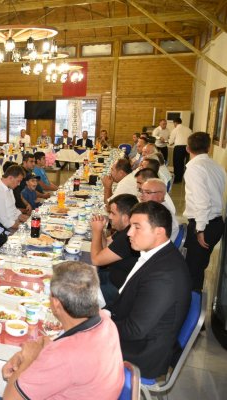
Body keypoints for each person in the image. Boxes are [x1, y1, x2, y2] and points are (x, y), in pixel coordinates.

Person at [0, 262, 124, 400]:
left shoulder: (64, 355)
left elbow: (10, 398)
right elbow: (56, 342)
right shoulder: (105, 321)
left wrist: (27, 360)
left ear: (55, 303)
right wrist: (31, 349)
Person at [107, 201, 191, 379]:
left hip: (141, 353)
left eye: (137, 227)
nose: (129, 233)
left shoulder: (165, 275)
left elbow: (135, 330)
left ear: (159, 231)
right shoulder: (158, 254)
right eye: (130, 226)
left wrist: (97, 326)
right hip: (134, 333)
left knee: (69, 345)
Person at [183, 132, 226, 291]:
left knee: (192, 270)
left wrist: (199, 229)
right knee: (198, 266)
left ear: (188, 148)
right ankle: (195, 298)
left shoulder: (194, 168)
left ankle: (192, 302)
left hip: (204, 224)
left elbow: (202, 202)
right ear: (209, 148)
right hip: (216, 223)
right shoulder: (217, 166)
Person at [90, 194, 140, 305]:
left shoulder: (127, 237)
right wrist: (101, 230)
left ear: (125, 217)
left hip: (118, 289)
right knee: (78, 276)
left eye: (113, 213)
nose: (110, 217)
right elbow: (106, 246)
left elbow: (96, 260)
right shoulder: (126, 229)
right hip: (113, 275)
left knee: (73, 292)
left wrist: (96, 231)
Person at [0, 165, 29, 232]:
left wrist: (29, 220)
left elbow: (13, 210)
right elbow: (4, 221)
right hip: (6, 229)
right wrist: (26, 227)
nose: (19, 184)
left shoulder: (9, 187)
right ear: (10, 178)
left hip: (14, 222)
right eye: (18, 181)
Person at [169, 117, 192, 183]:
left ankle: (178, 179)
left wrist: (170, 142)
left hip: (179, 148)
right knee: (185, 164)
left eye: (174, 123)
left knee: (177, 163)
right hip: (187, 148)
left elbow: (170, 141)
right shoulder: (188, 129)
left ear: (175, 123)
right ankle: (185, 178)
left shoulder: (175, 130)